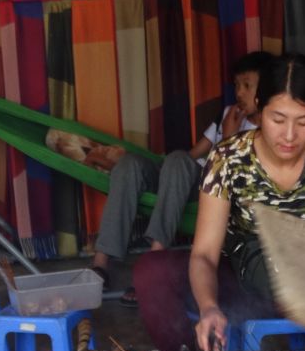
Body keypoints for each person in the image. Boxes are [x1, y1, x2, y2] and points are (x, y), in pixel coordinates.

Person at [131, 52, 305, 351]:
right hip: (244, 283)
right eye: (277, 119)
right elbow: (204, 255)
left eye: (304, 121)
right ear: (259, 109)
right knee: (150, 271)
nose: (289, 135)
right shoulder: (228, 158)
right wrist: (209, 307)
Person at [85, 50, 275, 304]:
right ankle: (100, 263)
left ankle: (152, 264)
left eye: (247, 86)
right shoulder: (229, 113)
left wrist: (229, 139)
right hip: (185, 177)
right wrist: (164, 171)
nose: (239, 92)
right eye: (237, 85)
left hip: (213, 190)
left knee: (177, 160)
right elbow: (195, 153)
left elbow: (239, 178)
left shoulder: (272, 128)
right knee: (131, 164)